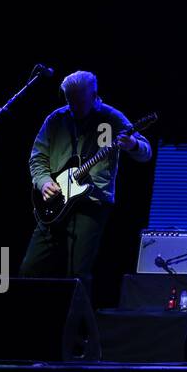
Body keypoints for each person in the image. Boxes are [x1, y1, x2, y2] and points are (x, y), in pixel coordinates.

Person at [22, 70, 152, 300]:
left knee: (77, 275)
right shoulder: (56, 119)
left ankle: (77, 329)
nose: (75, 108)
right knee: (29, 270)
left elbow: (146, 152)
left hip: (92, 204)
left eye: (80, 102)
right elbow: (37, 157)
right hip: (55, 202)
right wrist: (43, 183)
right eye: (70, 101)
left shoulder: (112, 118)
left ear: (94, 95)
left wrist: (132, 145)